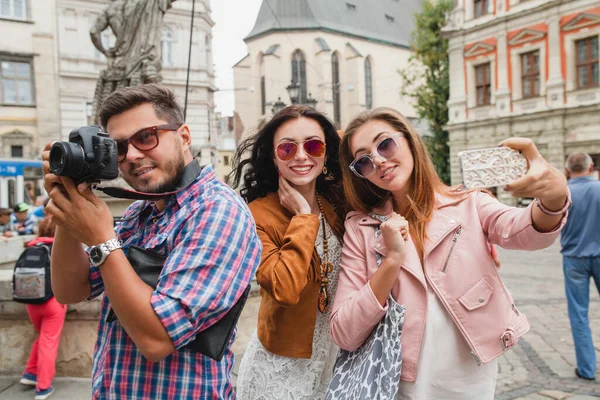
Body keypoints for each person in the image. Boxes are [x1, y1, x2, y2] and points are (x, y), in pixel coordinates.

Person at [330, 107, 570, 399]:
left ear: (409, 140)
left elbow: (524, 231)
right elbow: (344, 332)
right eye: (364, 161)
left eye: (386, 144)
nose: (379, 160)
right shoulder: (362, 228)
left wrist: (554, 197)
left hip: (468, 372)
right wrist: (391, 260)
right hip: (401, 378)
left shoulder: (469, 203)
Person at [42, 84, 262, 399]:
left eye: (146, 136)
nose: (132, 155)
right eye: (118, 147)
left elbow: (157, 340)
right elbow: (70, 290)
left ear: (184, 136)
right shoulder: (138, 213)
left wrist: (103, 239)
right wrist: (68, 202)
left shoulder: (218, 211)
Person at [231, 105, 347, 399]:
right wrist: (303, 217)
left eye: (313, 145)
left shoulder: (336, 199)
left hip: (333, 363)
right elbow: (285, 288)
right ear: (273, 157)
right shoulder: (256, 215)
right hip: (279, 372)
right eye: (286, 148)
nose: (301, 156)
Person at [560, 152, 600, 381]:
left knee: (579, 314)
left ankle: (586, 368)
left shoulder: (563, 192)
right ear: (591, 166)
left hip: (574, 258)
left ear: (567, 170)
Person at [20, 216, 67, 400]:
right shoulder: (59, 249)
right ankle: (43, 387)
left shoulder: (32, 246)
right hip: (52, 303)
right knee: (49, 342)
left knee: (43, 337)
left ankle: (30, 373)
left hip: (31, 302)